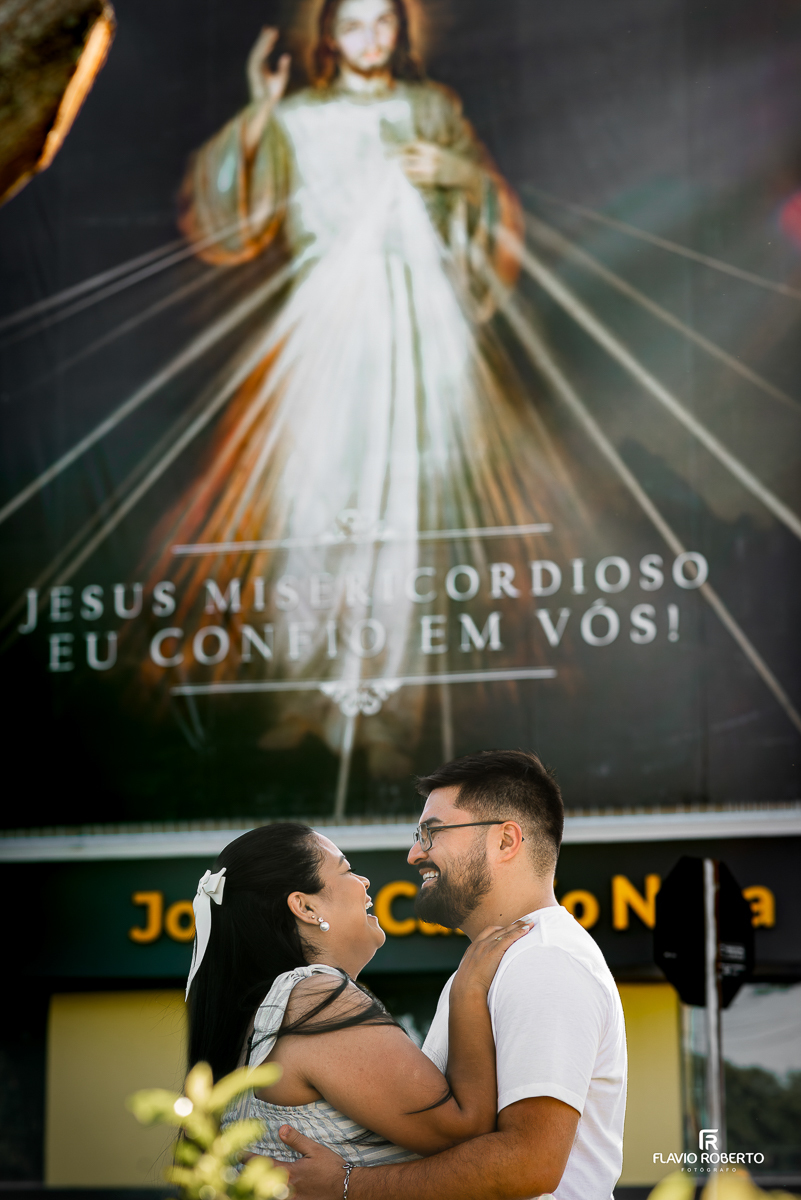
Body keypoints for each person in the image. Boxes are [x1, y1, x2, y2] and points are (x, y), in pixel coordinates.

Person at [149, 0, 580, 777]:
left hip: (414, 323)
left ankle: (386, 717)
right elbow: (229, 216)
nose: (370, 38)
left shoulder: (430, 109)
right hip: (324, 323)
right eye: (353, 24)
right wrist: (258, 111)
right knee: (312, 508)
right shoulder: (299, 116)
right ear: (329, 37)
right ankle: (300, 700)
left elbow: (481, 207)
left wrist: (455, 172)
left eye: (383, 23)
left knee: (400, 519)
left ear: (400, 33)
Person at [279, 749, 628, 1200]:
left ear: (506, 841)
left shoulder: (545, 961)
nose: (413, 853)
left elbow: (531, 1164)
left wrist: (348, 1185)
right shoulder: (492, 966)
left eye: (432, 832)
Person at [185, 820, 533, 1172]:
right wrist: (469, 988)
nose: (364, 882)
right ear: (305, 908)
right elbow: (465, 1130)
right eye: (347, 870)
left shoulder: (260, 1016)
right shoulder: (315, 999)